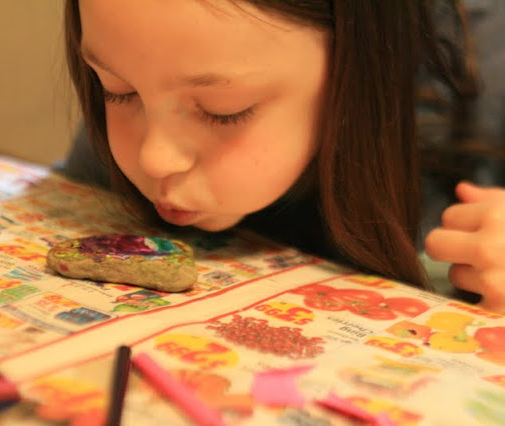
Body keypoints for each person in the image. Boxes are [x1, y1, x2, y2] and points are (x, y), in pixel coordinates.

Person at [59, 0, 505, 314]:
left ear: (355, 61)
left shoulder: (487, 68)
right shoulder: (149, 68)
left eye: (222, 111)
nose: (154, 159)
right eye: (117, 90)